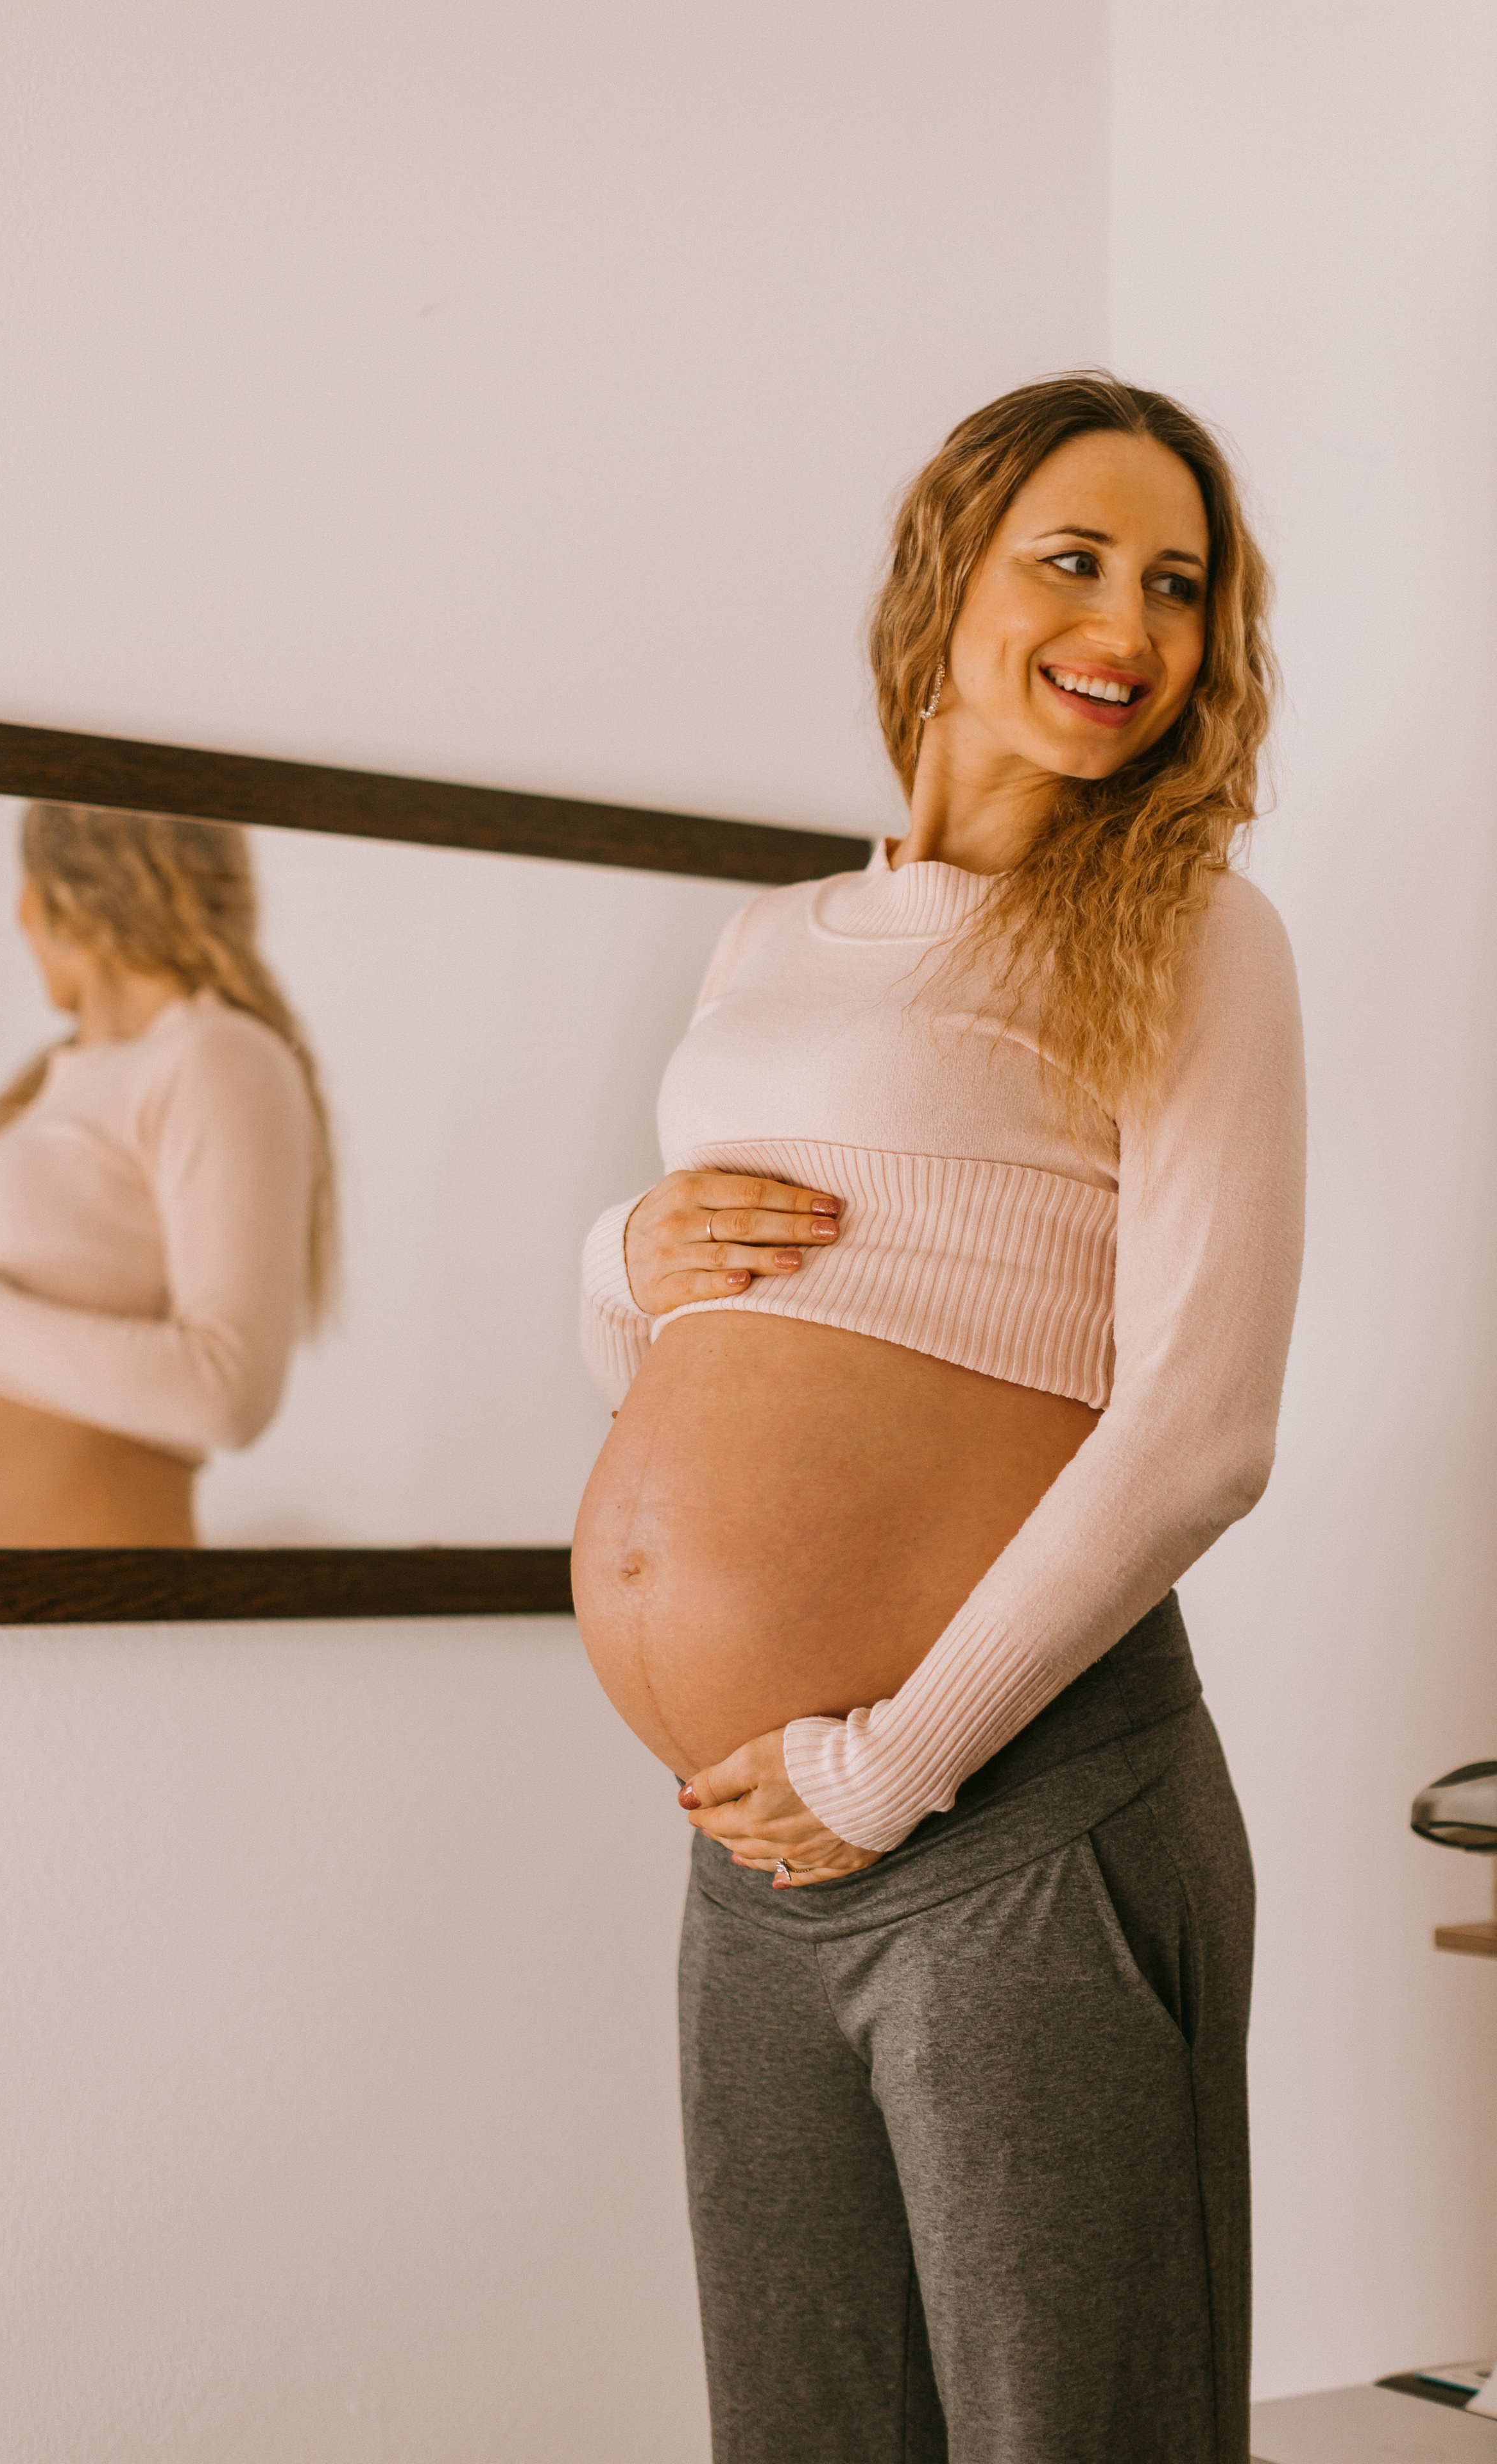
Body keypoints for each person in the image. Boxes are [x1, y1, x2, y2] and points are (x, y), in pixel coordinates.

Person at [572, 372, 1304, 2464]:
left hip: (1019, 1814)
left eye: (1180, 583)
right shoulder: (766, 940)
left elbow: (1205, 1425)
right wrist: (619, 1255)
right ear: (948, 577)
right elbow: (693, 1358)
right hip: (755, 1848)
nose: (1131, 624)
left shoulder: (1196, 933)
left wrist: (893, 1761)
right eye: (1073, 559)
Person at [0, 802, 335, 1546]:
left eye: (27, 882)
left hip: (82, 1614)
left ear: (61, 892)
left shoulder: (217, 1054)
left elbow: (226, 1393)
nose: (16, 913)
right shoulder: (45, 1088)